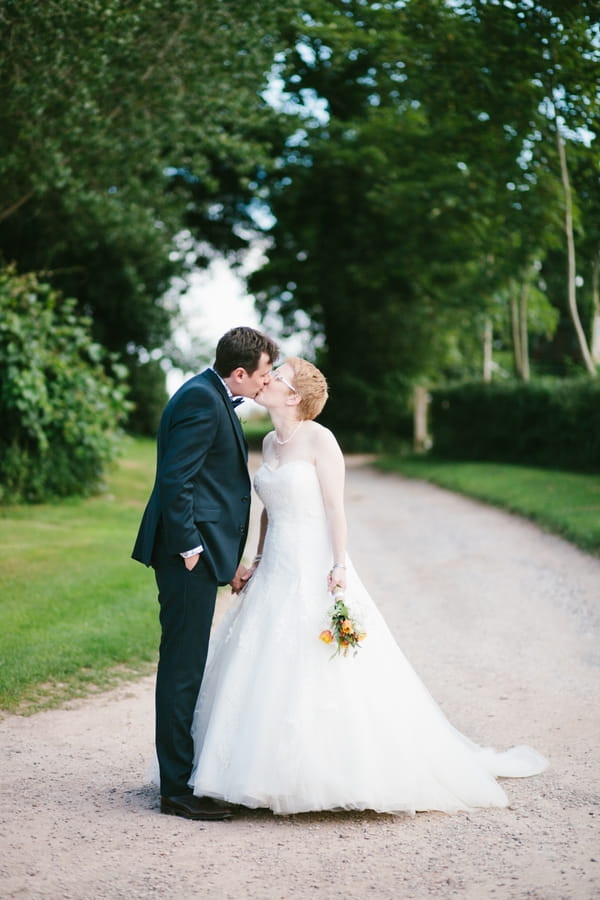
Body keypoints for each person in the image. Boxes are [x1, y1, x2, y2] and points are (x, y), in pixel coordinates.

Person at [185, 357, 548, 816]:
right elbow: (267, 508)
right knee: (262, 657)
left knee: (323, 660)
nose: (268, 377)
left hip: (315, 563)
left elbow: (336, 510)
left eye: (277, 374)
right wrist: (256, 558)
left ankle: (329, 773)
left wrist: (338, 566)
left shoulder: (321, 440)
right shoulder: (271, 443)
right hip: (276, 564)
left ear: (294, 396)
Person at [132, 326, 279, 821]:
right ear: (239, 373)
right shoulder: (200, 400)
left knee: (186, 664)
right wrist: (192, 547)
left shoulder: (209, 392)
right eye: (261, 375)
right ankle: (176, 789)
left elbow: (208, 486)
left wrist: (223, 557)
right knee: (182, 668)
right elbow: (177, 481)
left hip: (196, 554)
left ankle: (182, 774)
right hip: (183, 557)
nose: (265, 384)